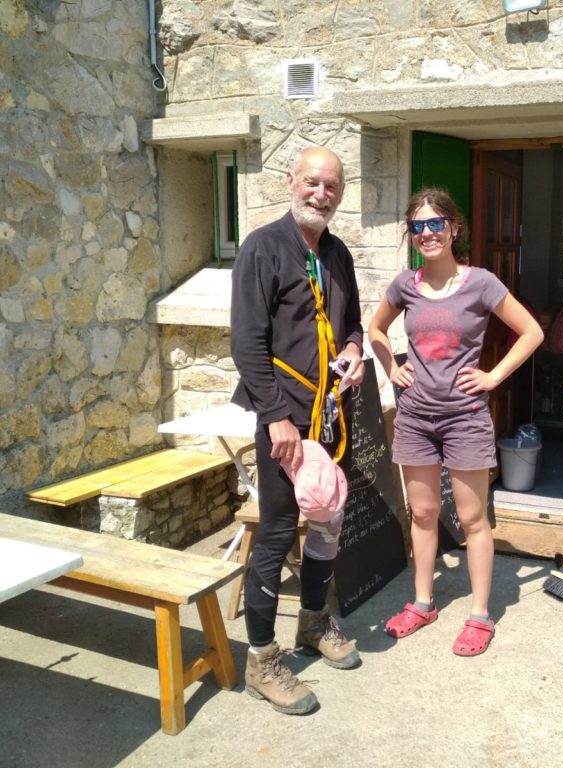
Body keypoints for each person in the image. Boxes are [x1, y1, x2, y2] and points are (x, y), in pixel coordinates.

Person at [367, 187, 544, 656]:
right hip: (416, 416)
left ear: (454, 229)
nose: (427, 233)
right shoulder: (405, 285)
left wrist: (493, 376)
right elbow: (375, 329)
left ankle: (480, 615)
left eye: (435, 224)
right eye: (418, 226)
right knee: (423, 514)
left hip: (464, 418)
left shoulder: (481, 283)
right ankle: (423, 602)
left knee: (471, 518)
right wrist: (391, 366)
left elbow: (532, 331)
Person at [230, 146, 365, 715]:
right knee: (281, 530)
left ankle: (313, 622)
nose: (322, 194)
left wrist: (356, 348)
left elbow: (351, 321)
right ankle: (262, 660)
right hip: (283, 420)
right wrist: (275, 416)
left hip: (330, 415)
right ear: (292, 182)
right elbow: (247, 342)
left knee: (329, 521)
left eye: (332, 186)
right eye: (313, 182)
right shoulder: (262, 247)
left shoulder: (337, 254)